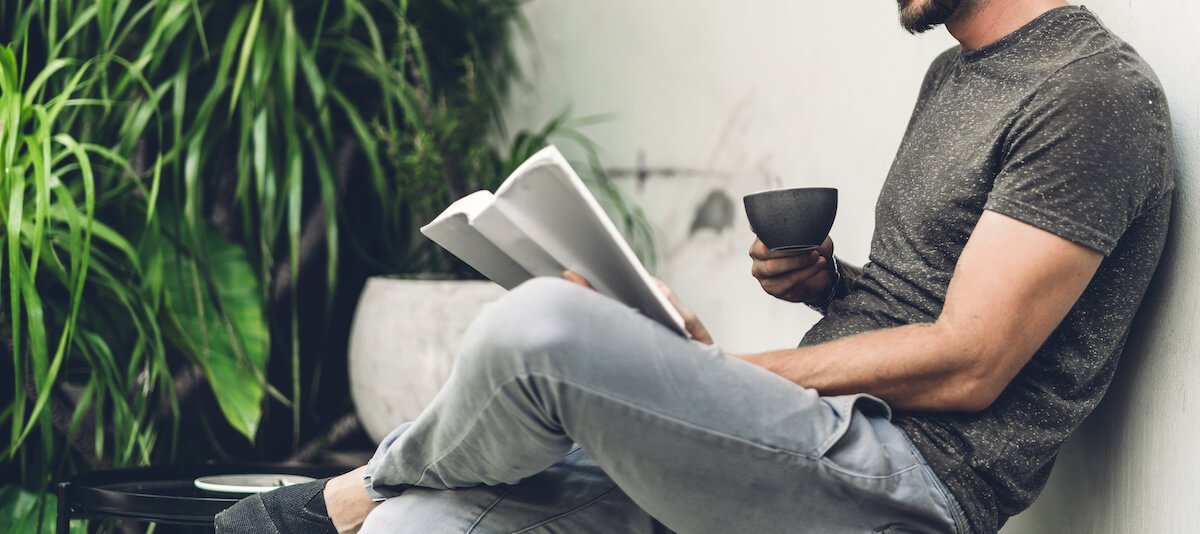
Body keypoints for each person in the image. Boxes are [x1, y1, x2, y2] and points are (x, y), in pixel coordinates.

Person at [216, 0, 1174, 532]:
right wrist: (831, 289)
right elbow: (927, 299)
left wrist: (710, 375)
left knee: (539, 328)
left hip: (909, 483)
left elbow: (973, 362)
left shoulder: (1089, 92)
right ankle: (382, 504)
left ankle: (352, 488)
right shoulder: (955, 74)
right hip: (818, 437)